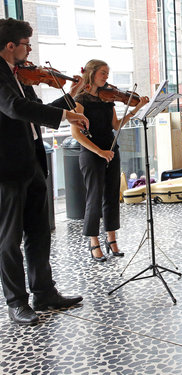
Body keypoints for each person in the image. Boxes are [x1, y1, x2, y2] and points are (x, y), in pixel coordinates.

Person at [0, 18, 87, 325]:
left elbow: (37, 109)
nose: (30, 50)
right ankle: (17, 303)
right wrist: (66, 114)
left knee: (39, 232)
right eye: (26, 44)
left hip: (32, 162)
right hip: (6, 170)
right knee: (8, 240)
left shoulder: (19, 75)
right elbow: (14, 108)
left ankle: (44, 293)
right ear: (11, 46)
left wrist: (71, 97)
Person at [72, 59, 149, 262]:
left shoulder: (108, 99)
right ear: (92, 74)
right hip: (92, 153)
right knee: (94, 198)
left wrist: (136, 108)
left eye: (107, 73)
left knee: (112, 196)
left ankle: (111, 239)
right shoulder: (80, 100)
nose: (106, 77)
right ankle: (93, 242)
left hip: (111, 151)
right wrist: (99, 152)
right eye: (103, 73)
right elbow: (76, 134)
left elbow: (116, 125)